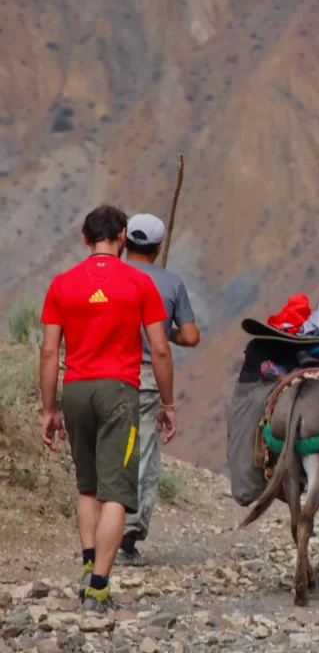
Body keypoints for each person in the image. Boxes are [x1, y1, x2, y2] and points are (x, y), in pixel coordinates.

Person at [39, 204, 174, 614]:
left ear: (85, 239)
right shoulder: (139, 283)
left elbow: (49, 352)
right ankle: (98, 587)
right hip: (119, 392)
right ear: (121, 238)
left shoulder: (61, 283)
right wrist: (168, 403)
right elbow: (162, 349)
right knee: (116, 492)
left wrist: (49, 409)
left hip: (76, 390)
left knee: (87, 486)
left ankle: (87, 564)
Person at [116, 213, 199, 566]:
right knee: (142, 452)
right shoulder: (171, 283)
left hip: (102, 372)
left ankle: (95, 532)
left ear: (124, 241)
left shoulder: (107, 276)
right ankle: (126, 538)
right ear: (159, 247)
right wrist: (165, 330)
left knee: (108, 448)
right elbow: (191, 336)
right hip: (146, 380)